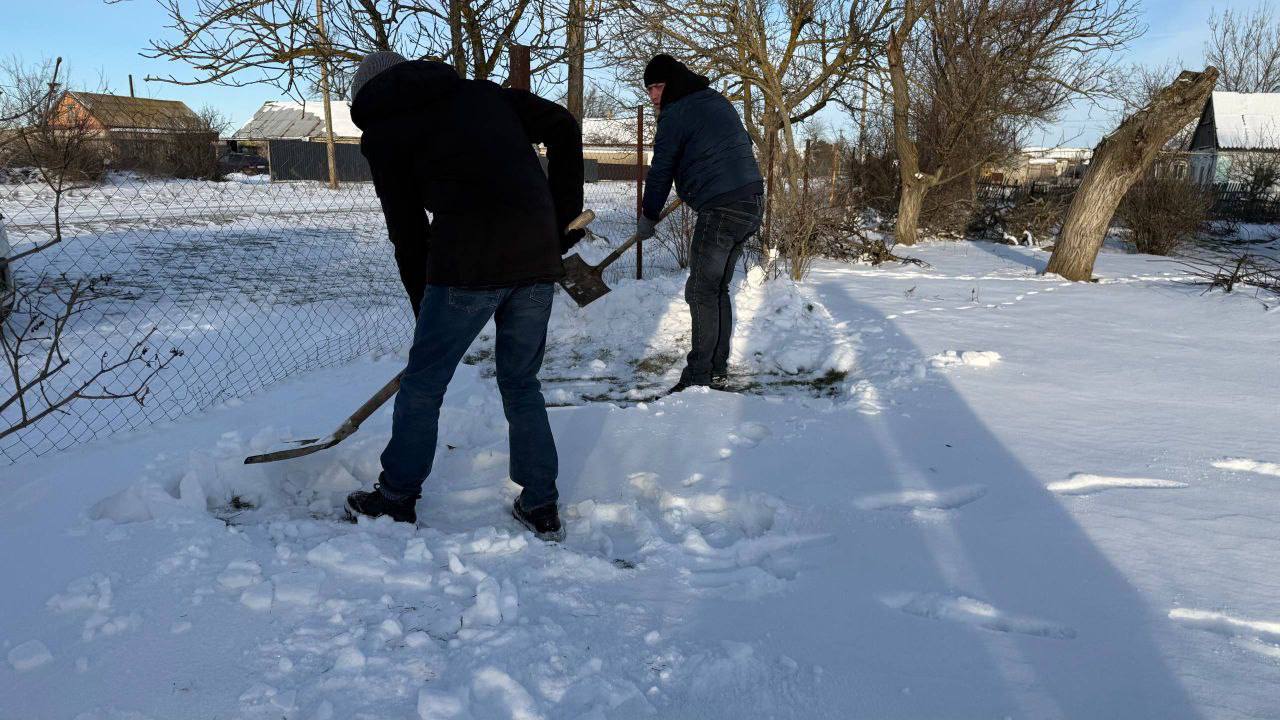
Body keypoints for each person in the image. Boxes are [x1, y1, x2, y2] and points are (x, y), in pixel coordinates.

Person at [342, 51, 584, 541]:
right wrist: (562, 218)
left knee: (424, 383)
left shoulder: (385, 129)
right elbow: (562, 125)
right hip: (537, 255)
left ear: (366, 95)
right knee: (521, 382)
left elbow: (407, 230)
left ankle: (395, 497)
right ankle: (540, 503)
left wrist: (424, 308)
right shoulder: (480, 92)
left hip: (467, 263)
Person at [635, 54, 764, 393]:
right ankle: (716, 371)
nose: (653, 96)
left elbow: (661, 168)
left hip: (721, 207)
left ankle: (698, 376)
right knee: (716, 289)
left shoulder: (676, 112)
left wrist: (649, 214)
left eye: (658, 87)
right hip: (751, 202)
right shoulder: (715, 101)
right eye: (649, 90)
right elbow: (740, 143)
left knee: (700, 291)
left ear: (673, 83)